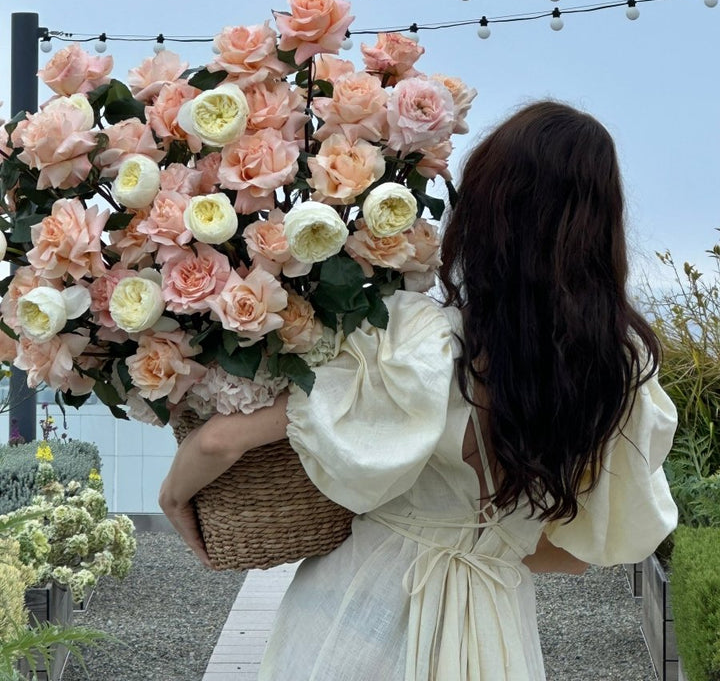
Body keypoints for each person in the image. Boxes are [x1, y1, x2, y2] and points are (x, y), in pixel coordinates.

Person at [160, 100, 678, 681]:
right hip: (495, 634)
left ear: (487, 212)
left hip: (359, 616)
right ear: (601, 228)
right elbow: (576, 554)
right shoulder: (618, 376)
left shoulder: (418, 344)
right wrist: (489, 543)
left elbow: (220, 442)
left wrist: (175, 499)